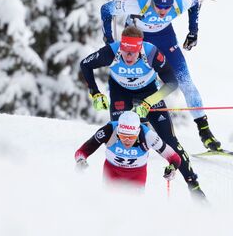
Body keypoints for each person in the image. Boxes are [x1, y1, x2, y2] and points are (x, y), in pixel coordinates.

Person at [79, 26, 206, 198]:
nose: (128, 56)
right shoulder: (111, 52)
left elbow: (172, 82)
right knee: (121, 135)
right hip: (120, 93)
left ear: (140, 48)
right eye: (125, 51)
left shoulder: (151, 53)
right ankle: (114, 191)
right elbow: (85, 64)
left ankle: (193, 185)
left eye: (133, 52)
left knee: (170, 140)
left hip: (149, 93)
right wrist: (95, 93)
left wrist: (148, 103)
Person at [100, 0, 222, 151]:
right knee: (139, 84)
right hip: (139, 39)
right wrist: (109, 40)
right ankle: (139, 129)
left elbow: (195, 2)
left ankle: (205, 132)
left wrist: (193, 32)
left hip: (165, 38)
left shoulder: (181, 0)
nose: (163, 11)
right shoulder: (138, 2)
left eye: (167, 7)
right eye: (158, 7)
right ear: (153, 0)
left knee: (185, 82)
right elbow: (106, 9)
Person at [74, 110, 180, 189]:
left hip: (137, 175)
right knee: (108, 207)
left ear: (138, 131)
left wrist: (172, 168)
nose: (127, 141)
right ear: (118, 130)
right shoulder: (109, 130)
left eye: (131, 137)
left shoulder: (148, 136)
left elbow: (174, 157)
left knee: (133, 210)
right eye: (123, 136)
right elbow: (83, 150)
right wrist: (80, 160)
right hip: (112, 172)